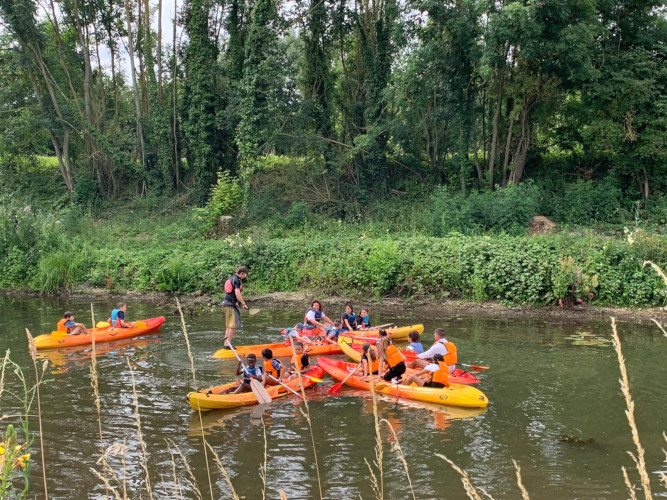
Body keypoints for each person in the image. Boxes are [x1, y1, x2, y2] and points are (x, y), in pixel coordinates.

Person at [222, 266, 249, 348]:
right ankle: (228, 345)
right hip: (230, 304)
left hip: (227, 303)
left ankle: (226, 344)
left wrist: (237, 302)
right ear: (242, 273)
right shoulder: (237, 280)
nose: (245, 276)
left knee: (229, 325)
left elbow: (231, 294)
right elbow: (237, 293)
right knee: (233, 326)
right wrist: (244, 304)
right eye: (245, 275)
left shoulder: (232, 278)